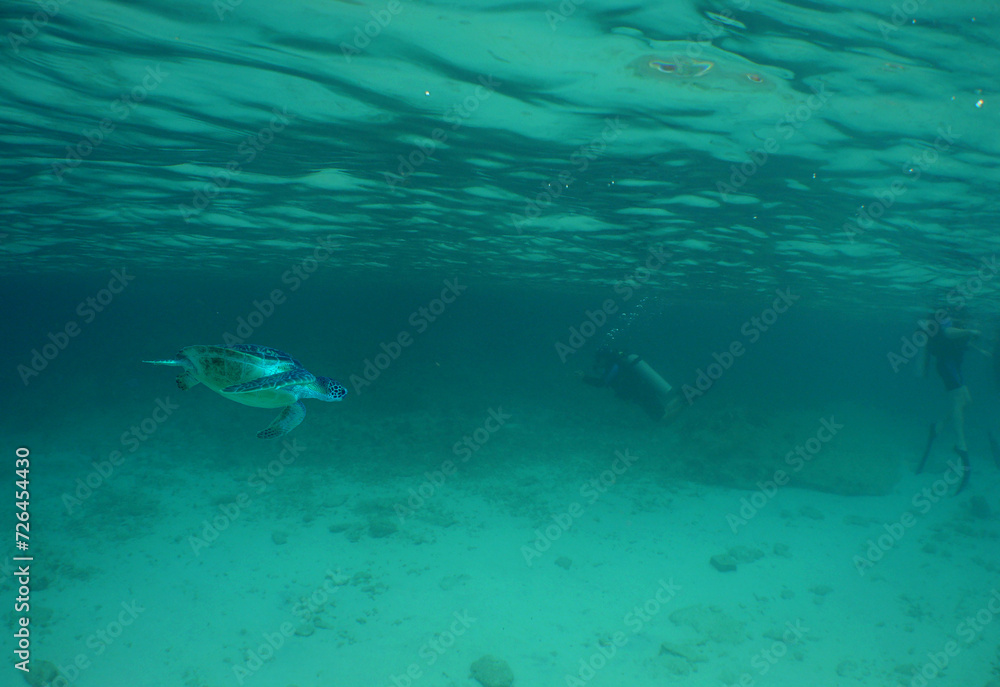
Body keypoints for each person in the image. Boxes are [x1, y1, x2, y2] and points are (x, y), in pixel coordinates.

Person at [916, 312, 981, 493]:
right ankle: (961, 445)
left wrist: (980, 349)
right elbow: (947, 332)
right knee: (959, 401)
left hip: (954, 365)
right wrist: (970, 331)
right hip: (947, 365)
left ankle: (938, 427)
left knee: (967, 402)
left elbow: (961, 340)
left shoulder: (960, 317)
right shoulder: (946, 314)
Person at [581, 345, 684, 423]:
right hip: (642, 392)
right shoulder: (615, 365)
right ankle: (680, 397)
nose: (597, 361)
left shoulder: (614, 367)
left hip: (643, 393)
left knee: (661, 419)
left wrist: (584, 377)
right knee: (662, 411)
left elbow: (601, 383)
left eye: (598, 358)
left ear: (605, 357)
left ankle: (685, 402)